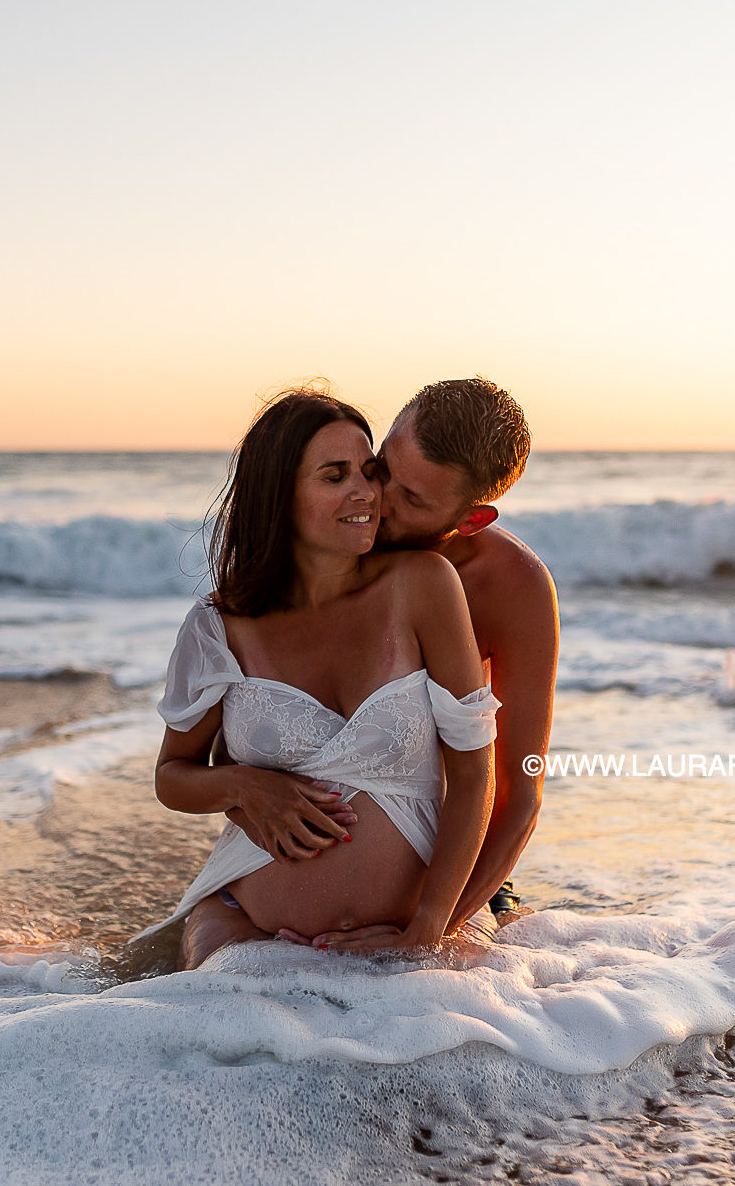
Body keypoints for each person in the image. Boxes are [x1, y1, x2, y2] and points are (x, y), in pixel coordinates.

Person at [154, 378, 560, 968]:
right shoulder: (310, 552)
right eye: (381, 468)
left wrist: (433, 927)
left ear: (470, 519)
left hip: (449, 872)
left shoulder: (506, 587)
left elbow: (516, 788)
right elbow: (218, 749)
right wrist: (245, 792)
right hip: (270, 895)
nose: (378, 498)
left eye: (412, 499)